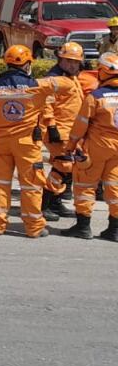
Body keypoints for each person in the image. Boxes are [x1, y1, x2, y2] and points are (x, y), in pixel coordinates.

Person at [0, 44, 64, 238]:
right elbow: (64, 85)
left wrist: (1, 121)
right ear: (27, 64)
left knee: (0, 183)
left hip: (0, 142)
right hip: (27, 143)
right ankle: (34, 227)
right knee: (31, 185)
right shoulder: (36, 86)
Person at [62, 52, 118, 241]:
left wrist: (70, 146)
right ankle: (114, 230)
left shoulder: (95, 97)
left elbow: (80, 125)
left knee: (85, 185)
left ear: (102, 72)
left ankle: (83, 227)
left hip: (96, 148)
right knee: (115, 187)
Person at [38, 42, 93, 221]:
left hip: (71, 131)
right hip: (59, 130)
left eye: (76, 62)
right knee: (63, 166)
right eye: (69, 61)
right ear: (60, 59)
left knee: (68, 168)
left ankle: (55, 203)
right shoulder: (53, 78)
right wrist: (51, 126)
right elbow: (46, 103)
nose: (73, 65)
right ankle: (44, 205)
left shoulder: (71, 77)